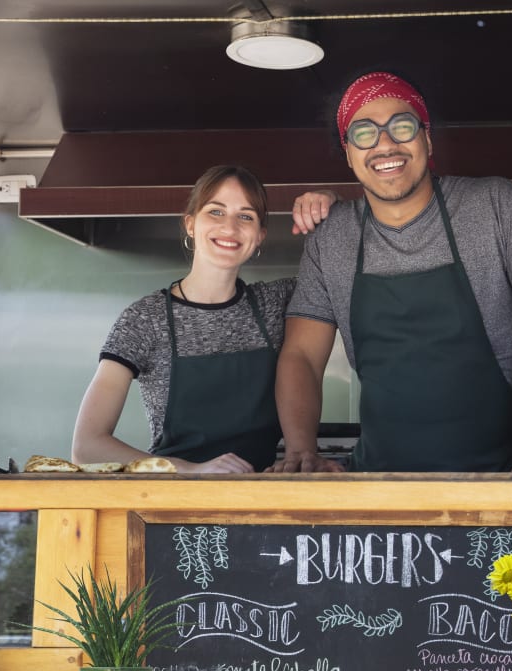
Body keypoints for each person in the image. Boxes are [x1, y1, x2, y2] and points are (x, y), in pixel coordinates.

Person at [273, 71, 512, 473]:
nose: (385, 144)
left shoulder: (494, 206)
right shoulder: (331, 236)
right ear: (348, 152)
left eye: (402, 126)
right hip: (380, 488)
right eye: (364, 133)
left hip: (500, 483)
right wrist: (300, 450)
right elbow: (302, 354)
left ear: (427, 139)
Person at [72, 165, 330, 474]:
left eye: (245, 216)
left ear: (260, 235)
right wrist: (189, 470)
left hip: (262, 495)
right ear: (191, 224)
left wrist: (329, 199)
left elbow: (338, 267)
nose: (230, 227)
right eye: (216, 212)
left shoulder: (277, 302)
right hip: (174, 506)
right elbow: (87, 447)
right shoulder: (146, 319)